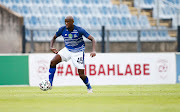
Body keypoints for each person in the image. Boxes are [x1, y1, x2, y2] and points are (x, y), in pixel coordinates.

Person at [48, 16, 96, 93]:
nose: (66, 23)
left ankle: (89, 87)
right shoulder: (62, 29)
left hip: (78, 52)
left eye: (68, 22)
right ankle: (50, 83)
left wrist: (93, 51)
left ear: (72, 22)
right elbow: (53, 38)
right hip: (67, 50)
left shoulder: (79, 30)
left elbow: (92, 39)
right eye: (65, 22)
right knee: (53, 62)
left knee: (81, 74)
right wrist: (51, 47)